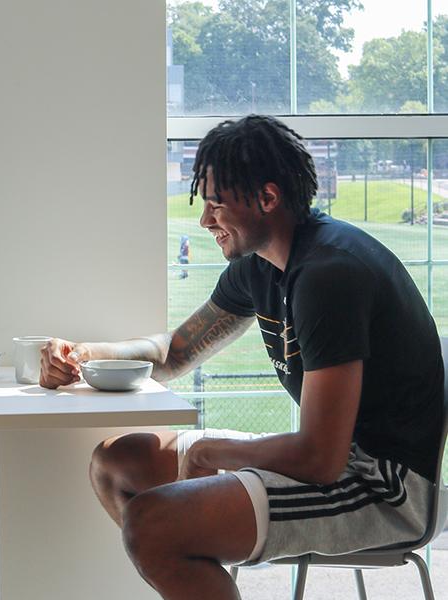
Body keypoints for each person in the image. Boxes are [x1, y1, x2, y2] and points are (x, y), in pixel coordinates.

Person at [40, 115, 443, 600]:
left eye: (216, 203)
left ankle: (179, 545)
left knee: (153, 524)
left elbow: (320, 458)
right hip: (333, 460)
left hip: (385, 487)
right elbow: (175, 351)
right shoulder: (259, 266)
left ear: (267, 198)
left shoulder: (330, 275)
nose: (205, 220)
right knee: (118, 461)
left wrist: (213, 453)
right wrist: (82, 355)